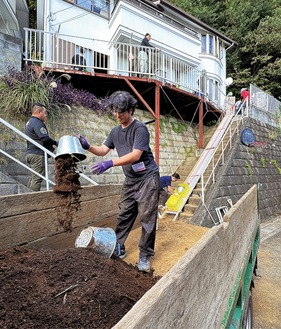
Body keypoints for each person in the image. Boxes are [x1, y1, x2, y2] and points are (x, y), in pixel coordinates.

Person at [78, 90, 160, 273]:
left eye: (121, 111)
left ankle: (145, 255)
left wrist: (110, 163)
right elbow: (103, 149)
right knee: (124, 213)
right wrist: (88, 146)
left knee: (147, 217)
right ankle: (118, 245)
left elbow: (135, 155)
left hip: (148, 178)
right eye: (114, 111)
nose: (117, 115)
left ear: (131, 109)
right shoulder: (115, 131)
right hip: (131, 179)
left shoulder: (140, 129)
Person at [25, 103, 58, 191]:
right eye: (45, 113)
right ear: (39, 112)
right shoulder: (37, 122)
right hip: (37, 155)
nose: (46, 115)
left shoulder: (29, 122)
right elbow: (44, 138)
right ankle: (32, 200)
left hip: (31, 153)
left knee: (33, 178)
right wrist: (55, 143)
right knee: (37, 179)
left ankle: (28, 196)